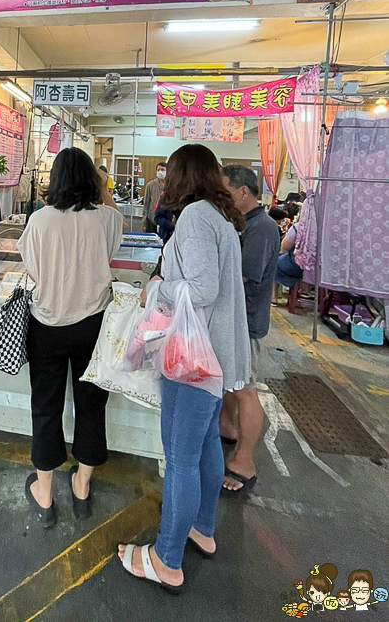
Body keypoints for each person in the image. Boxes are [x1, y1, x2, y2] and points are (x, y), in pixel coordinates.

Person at [119, 144, 250, 590]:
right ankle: (202, 528)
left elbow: (202, 289)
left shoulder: (194, 217)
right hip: (215, 358)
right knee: (205, 447)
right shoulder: (222, 217)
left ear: (179, 176)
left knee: (179, 459)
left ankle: (166, 558)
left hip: (193, 360)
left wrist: (158, 286)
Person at [17, 149, 124, 528]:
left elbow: (30, 266)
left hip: (46, 325)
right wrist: (100, 186)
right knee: (91, 406)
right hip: (93, 327)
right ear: (93, 180)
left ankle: (44, 493)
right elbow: (111, 248)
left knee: (45, 406)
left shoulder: (40, 219)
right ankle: (81, 486)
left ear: (56, 179)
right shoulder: (108, 218)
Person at [220, 165, 280, 494]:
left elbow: (241, 276)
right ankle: (229, 428)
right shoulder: (246, 223)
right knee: (233, 382)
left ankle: (244, 460)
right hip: (237, 318)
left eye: (226, 192)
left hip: (248, 320)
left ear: (244, 192)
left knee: (246, 389)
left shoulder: (263, 229)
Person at [276, 220, 304, 290]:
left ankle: (273, 295)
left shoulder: (298, 227)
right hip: (320, 270)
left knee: (274, 262)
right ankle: (305, 289)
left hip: (297, 266)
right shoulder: (327, 228)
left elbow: (285, 247)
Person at [142, 162, 167, 234]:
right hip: (152, 220)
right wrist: (144, 223)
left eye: (162, 170)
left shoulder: (171, 185)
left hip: (165, 221)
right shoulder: (151, 185)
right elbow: (146, 204)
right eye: (158, 170)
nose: (160, 172)